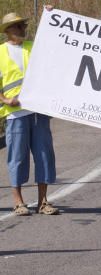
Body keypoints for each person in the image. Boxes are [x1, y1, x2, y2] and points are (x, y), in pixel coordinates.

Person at [0, 11, 59, 216]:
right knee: (17, 157)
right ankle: (18, 202)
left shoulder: (32, 47)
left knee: (44, 156)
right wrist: (6, 100)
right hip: (16, 115)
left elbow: (51, 61)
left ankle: (43, 201)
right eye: (17, 26)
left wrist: (51, 15)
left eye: (23, 26)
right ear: (7, 31)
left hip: (38, 112)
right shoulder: (0, 53)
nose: (22, 29)